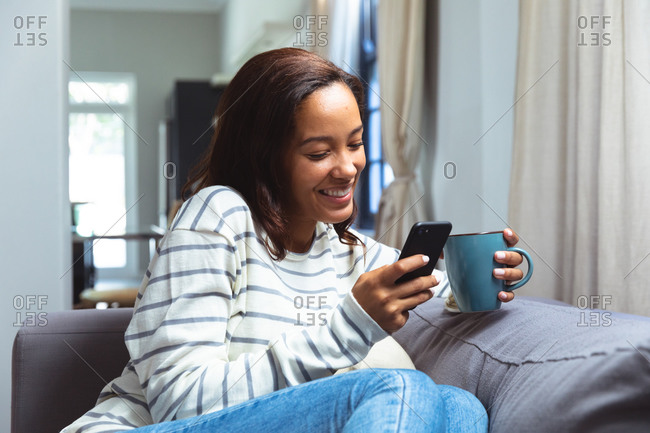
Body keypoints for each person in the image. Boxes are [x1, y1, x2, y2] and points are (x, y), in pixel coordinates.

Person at [63, 48, 524, 433]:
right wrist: (352, 325)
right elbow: (180, 405)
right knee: (399, 387)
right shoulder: (217, 213)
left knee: (461, 407)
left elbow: (444, 290)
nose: (347, 168)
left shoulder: (344, 251)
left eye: (356, 143)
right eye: (319, 152)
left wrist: (495, 272)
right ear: (266, 158)